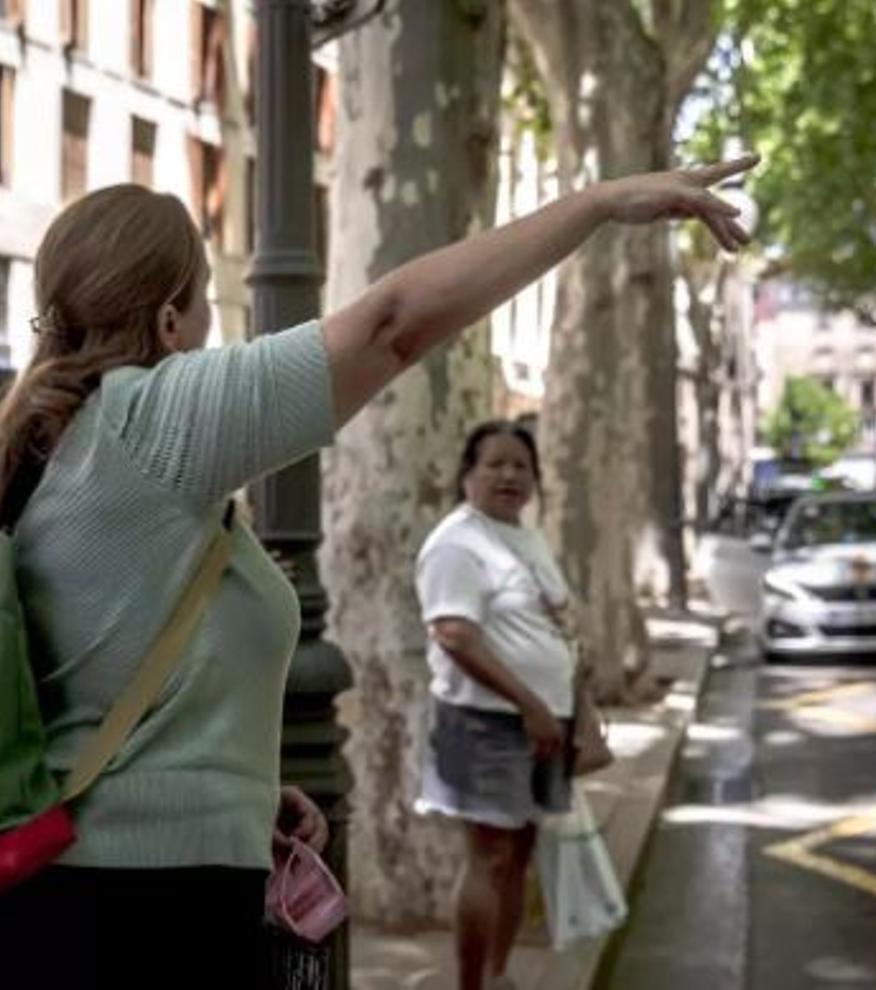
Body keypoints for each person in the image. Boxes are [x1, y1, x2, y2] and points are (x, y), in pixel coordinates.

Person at [0, 152, 756, 987]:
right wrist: (601, 203)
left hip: (83, 892)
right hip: (150, 910)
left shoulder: (49, 447)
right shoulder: (151, 419)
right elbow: (392, 326)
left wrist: (240, 788)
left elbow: (102, 677)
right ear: (173, 317)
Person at [415, 420, 574, 990]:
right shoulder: (458, 543)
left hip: (543, 721)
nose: (510, 475)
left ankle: (499, 973)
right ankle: (470, 985)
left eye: (521, 466)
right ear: (467, 476)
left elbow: (553, 621)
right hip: (485, 724)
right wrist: (530, 703)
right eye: (495, 464)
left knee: (520, 852)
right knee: (491, 859)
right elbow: (455, 634)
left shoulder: (524, 537)